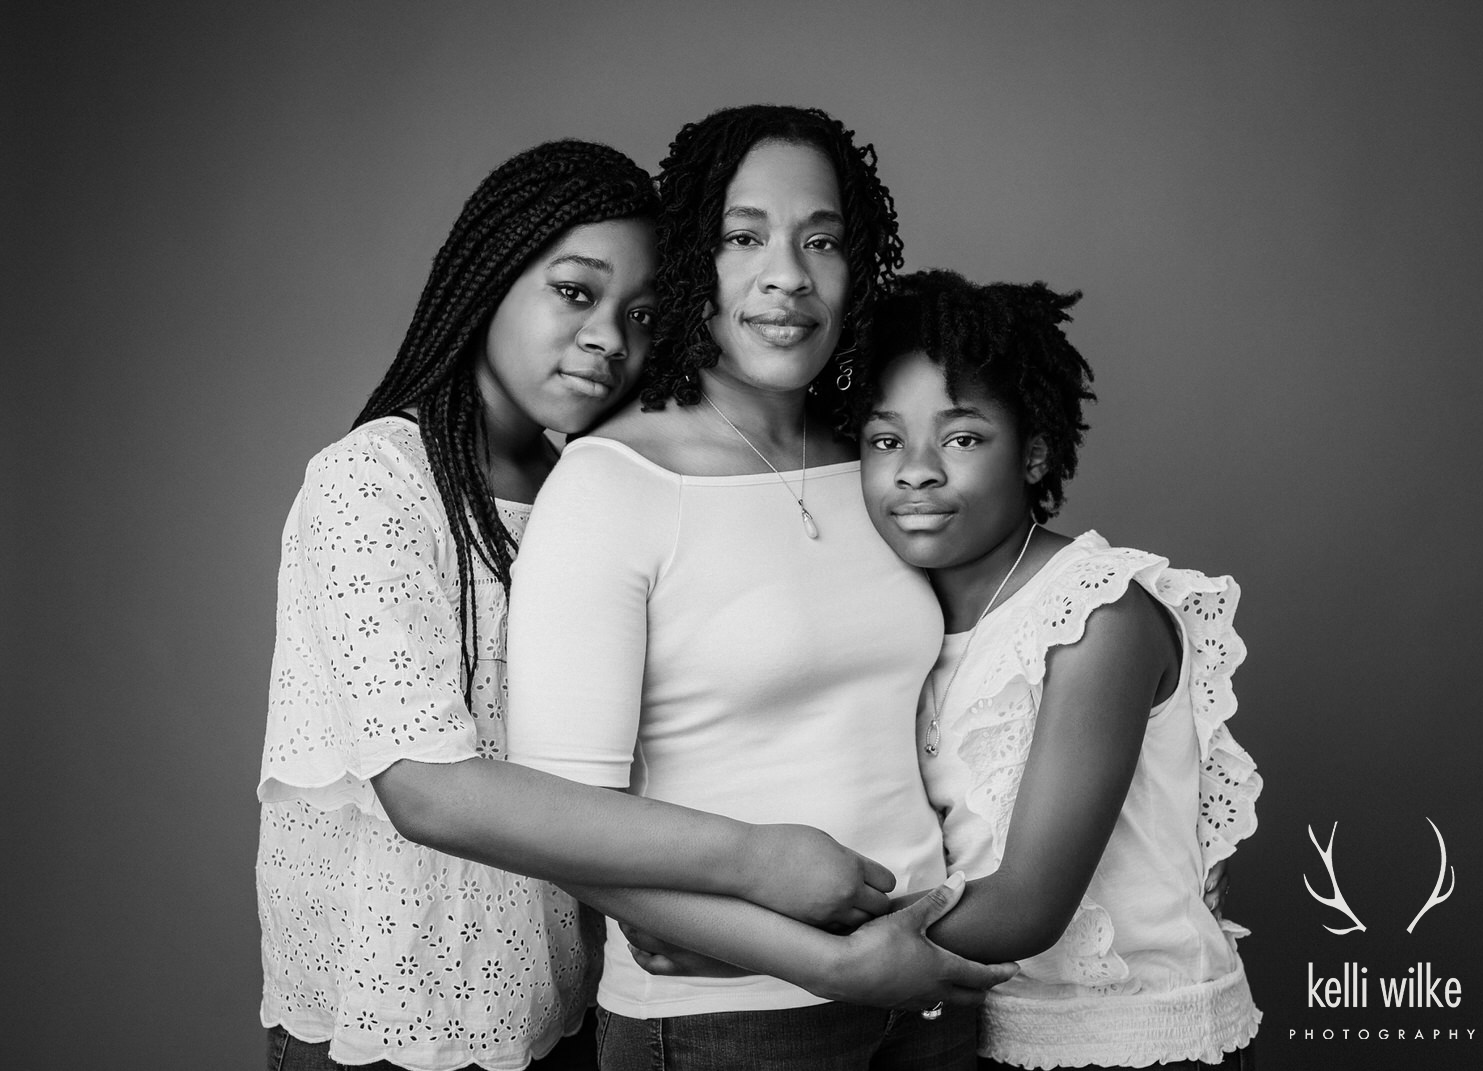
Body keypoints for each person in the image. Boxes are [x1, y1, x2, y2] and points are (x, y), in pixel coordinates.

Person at [255, 139, 928, 1071]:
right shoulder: (372, 482)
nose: (611, 337)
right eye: (575, 293)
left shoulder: (588, 478)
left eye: (642, 313)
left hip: (568, 999)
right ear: (489, 278)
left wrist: (716, 933)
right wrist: (757, 863)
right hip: (402, 1012)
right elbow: (431, 790)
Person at [505, 108, 1009, 1070]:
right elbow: (566, 824)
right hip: (728, 1022)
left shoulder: (879, 460)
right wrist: (838, 962)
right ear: (694, 260)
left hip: (932, 986)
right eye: (745, 239)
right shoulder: (613, 484)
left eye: (821, 240)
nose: (788, 275)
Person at [856, 271, 1262, 1068]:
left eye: (962, 438)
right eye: (883, 440)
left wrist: (762, 939)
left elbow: (1025, 907)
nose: (916, 470)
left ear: (1036, 450)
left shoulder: (1096, 615)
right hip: (999, 1036)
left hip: (1143, 1042)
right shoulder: (899, 621)